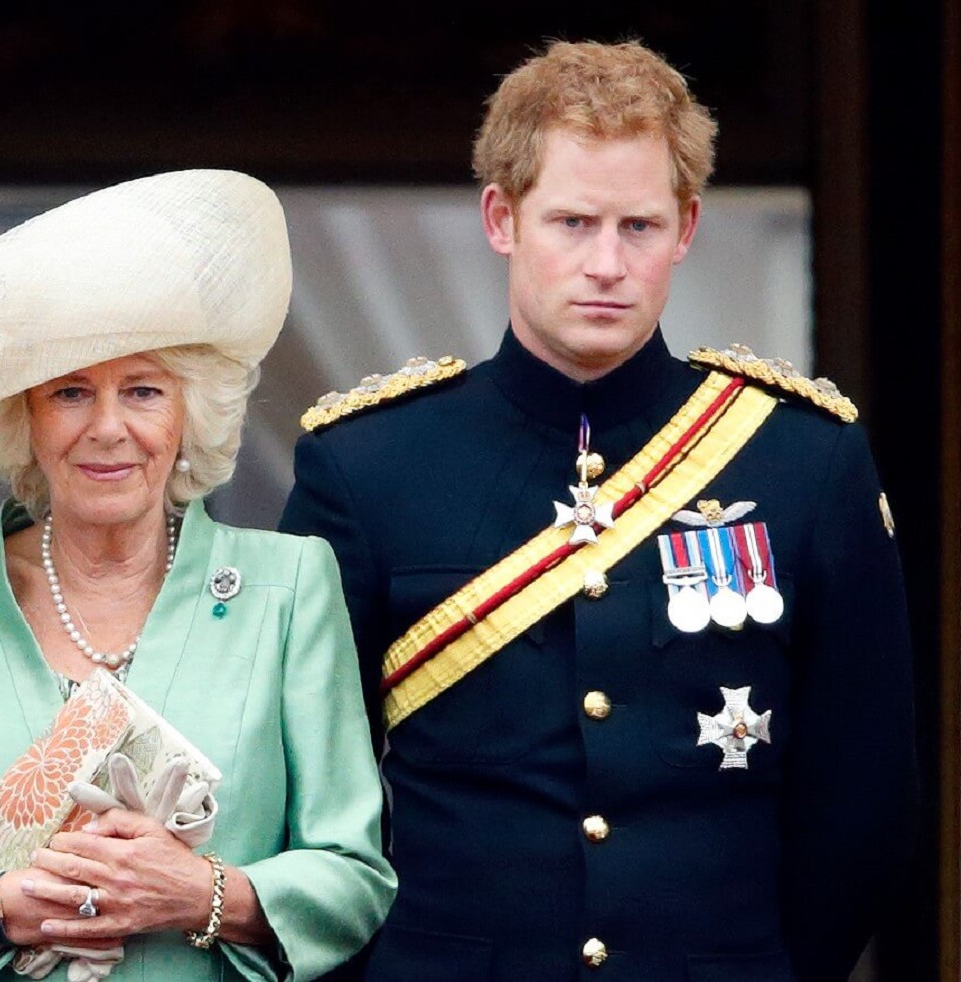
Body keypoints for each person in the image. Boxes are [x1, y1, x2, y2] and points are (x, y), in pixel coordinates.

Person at [279, 39, 918, 982]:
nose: (607, 264)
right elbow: (302, 793)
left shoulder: (803, 459)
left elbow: (864, 802)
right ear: (502, 218)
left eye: (639, 227)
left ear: (687, 227)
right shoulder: (367, 465)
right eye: (572, 223)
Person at [0, 169, 395, 981]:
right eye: (70, 392)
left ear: (188, 416)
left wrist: (199, 892)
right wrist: (5, 908)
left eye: (143, 390)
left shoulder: (288, 589)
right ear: (25, 420)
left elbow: (353, 875)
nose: (108, 428)